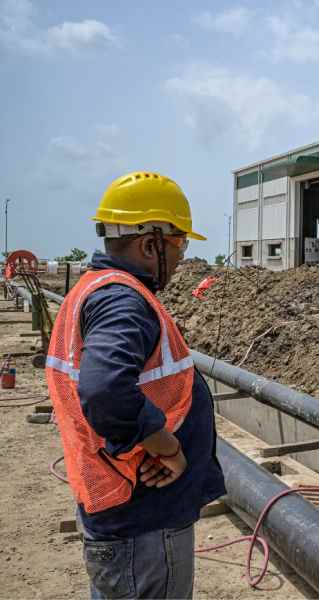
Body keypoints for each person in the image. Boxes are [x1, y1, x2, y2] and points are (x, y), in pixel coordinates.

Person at [46, 172, 226, 599]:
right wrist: (167, 446)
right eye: (179, 244)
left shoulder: (92, 289)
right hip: (143, 523)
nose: (182, 257)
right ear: (150, 244)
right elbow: (105, 388)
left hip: (122, 508)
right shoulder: (122, 300)